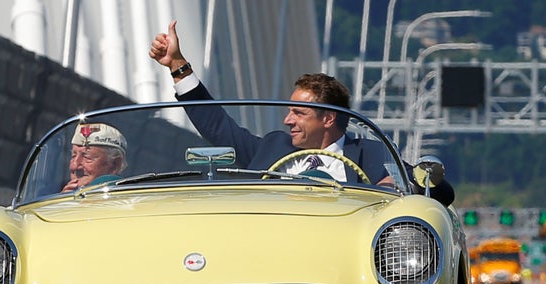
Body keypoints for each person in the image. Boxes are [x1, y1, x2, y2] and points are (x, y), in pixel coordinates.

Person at [149, 21, 455, 205]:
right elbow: (216, 125)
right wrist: (178, 65)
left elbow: (439, 193)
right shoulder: (271, 147)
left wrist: (403, 184)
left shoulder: (370, 153)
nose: (287, 120)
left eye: (298, 112)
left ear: (328, 118)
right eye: (289, 112)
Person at [62, 122, 127, 191]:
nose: (74, 166)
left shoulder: (129, 199)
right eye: (73, 156)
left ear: (114, 165)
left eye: (87, 157)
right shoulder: (61, 199)